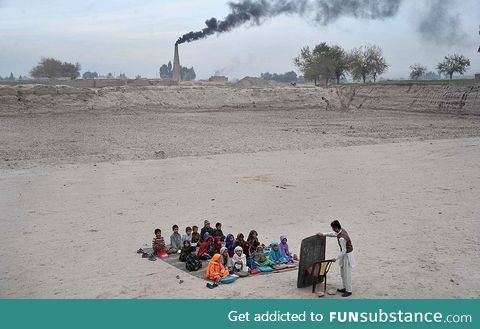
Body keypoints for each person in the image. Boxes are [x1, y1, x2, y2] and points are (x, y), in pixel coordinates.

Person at [317, 220, 355, 297]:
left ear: (336, 227)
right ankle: (345, 287)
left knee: (347, 274)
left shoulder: (342, 238)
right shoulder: (342, 230)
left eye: (333, 228)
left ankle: (349, 290)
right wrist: (323, 234)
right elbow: (333, 234)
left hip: (347, 256)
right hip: (344, 255)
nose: (332, 229)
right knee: (342, 273)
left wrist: (336, 258)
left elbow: (344, 251)